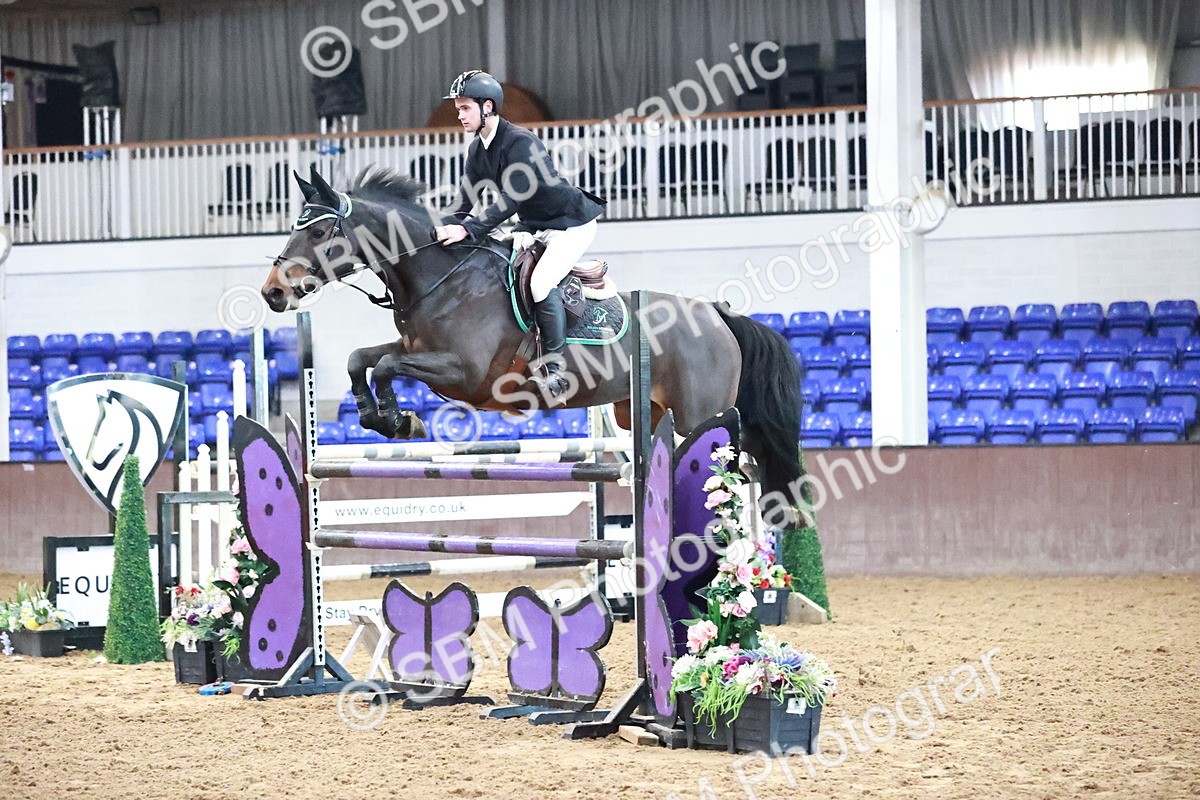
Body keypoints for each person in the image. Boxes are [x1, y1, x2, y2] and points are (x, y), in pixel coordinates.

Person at [434, 70, 605, 400]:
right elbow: (462, 203)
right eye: (458, 109)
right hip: (535, 227)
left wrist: (467, 229)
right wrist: (434, 230)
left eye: (464, 108)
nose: (459, 115)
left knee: (541, 283)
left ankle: (555, 370)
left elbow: (513, 199)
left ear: (487, 107)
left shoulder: (521, 143)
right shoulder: (478, 151)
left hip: (569, 225)